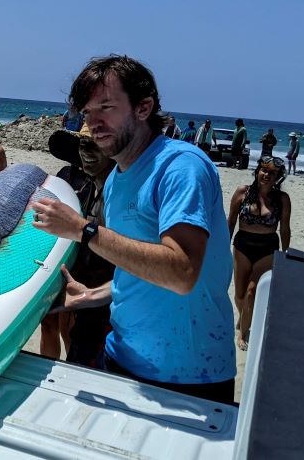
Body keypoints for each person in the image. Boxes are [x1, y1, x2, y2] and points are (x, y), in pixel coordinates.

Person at [31, 54, 235, 404]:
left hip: (189, 375)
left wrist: (84, 229)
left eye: (106, 108)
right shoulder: (116, 180)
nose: (93, 122)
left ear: (143, 108)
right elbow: (141, 265)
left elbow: (182, 271)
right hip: (121, 357)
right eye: (87, 112)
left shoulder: (181, 167)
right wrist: (94, 295)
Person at [41, 124, 116, 365]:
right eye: (84, 144)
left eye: (97, 145)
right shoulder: (66, 176)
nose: (88, 152)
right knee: (53, 324)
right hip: (65, 266)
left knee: (76, 334)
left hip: (99, 278)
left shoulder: (116, 187)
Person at [227, 156, 291, 351]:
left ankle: (242, 332)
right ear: (257, 171)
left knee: (251, 292)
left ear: (278, 177)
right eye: (264, 170)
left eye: (272, 173)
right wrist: (223, 246)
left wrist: (286, 254)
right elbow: (230, 222)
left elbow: (285, 229)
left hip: (267, 248)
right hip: (242, 246)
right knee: (239, 295)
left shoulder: (282, 199)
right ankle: (244, 318)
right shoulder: (242, 192)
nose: (267, 175)